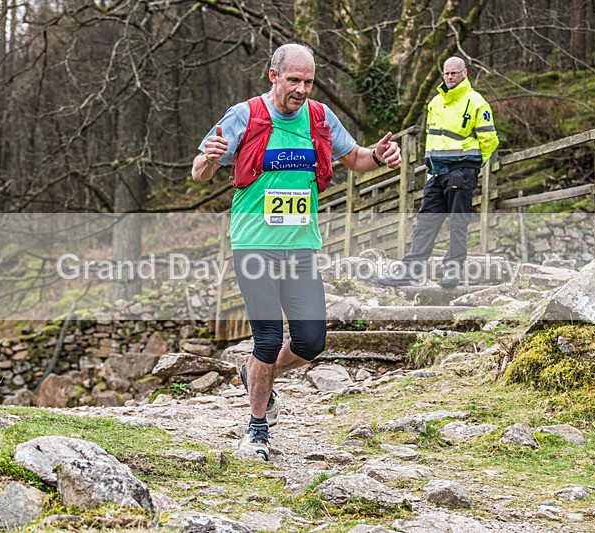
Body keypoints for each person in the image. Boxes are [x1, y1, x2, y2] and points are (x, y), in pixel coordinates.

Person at [192, 43, 401, 461]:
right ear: (274, 76)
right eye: (294, 81)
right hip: (254, 245)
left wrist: (378, 156)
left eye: (308, 81)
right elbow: (199, 170)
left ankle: (254, 373)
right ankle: (256, 429)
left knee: (311, 341)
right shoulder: (245, 115)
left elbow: (355, 158)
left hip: (301, 247)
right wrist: (209, 160)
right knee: (267, 338)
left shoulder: (320, 118)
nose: (302, 89)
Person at [377, 56, 499, 288]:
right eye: (446, 73)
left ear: (465, 73)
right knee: (425, 223)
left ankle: (452, 272)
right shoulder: (435, 103)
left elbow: (489, 140)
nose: (450, 77)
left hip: (461, 172)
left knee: (457, 223)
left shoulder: (476, 102)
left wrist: (471, 166)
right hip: (436, 173)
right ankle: (409, 273)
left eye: (454, 73)